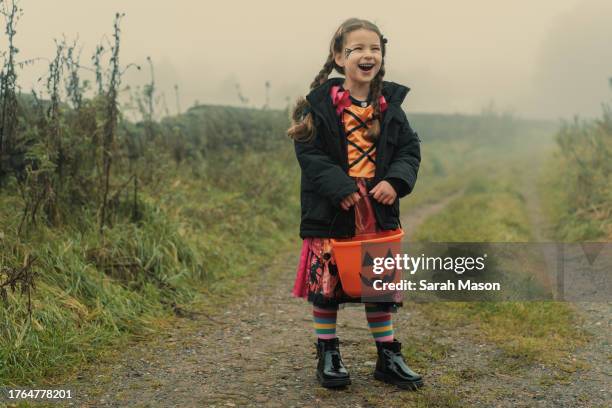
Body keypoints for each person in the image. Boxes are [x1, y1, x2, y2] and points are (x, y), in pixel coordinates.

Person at [287, 18, 423, 390]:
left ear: (382, 56)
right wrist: (339, 187)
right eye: (358, 49)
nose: (368, 55)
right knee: (327, 286)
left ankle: (388, 356)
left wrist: (395, 181)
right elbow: (309, 152)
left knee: (377, 286)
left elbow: (409, 150)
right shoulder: (318, 105)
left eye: (375, 49)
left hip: (376, 213)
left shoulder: (389, 105)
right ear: (338, 56)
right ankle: (328, 352)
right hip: (333, 211)